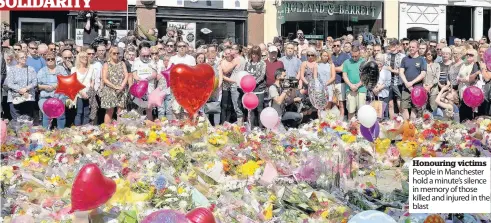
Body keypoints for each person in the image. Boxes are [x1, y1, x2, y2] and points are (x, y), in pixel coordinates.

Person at [37, 52, 68, 129]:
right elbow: (37, 85)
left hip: (59, 97)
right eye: (48, 59)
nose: (50, 60)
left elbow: (66, 82)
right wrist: (45, 87)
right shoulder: (42, 71)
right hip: (46, 97)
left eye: (52, 59)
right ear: (45, 61)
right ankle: (46, 133)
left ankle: (61, 132)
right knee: (46, 116)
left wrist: (55, 86)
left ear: (55, 59)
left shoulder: (61, 69)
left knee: (61, 116)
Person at [100, 47, 129, 124]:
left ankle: (120, 129)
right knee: (110, 111)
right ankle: (107, 130)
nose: (116, 55)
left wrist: (122, 86)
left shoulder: (122, 63)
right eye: (114, 53)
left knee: (121, 111)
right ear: (110, 54)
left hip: (121, 89)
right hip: (110, 90)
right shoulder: (106, 64)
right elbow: (104, 79)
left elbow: (126, 75)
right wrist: (115, 87)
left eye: (118, 53)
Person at [5, 51, 37, 120]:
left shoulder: (31, 69)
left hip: (28, 97)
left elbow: (35, 82)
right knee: (17, 121)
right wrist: (20, 90)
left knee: (27, 121)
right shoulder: (12, 69)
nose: (24, 59)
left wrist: (26, 88)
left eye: (25, 57)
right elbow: (10, 83)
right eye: (22, 57)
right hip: (15, 98)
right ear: (17, 59)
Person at [400, 40, 427, 120]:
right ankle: (406, 125)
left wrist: (411, 83)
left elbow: (423, 74)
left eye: (413, 47)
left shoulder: (422, 60)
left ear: (417, 48)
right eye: (410, 47)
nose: (411, 48)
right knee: (404, 107)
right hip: (406, 88)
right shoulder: (405, 59)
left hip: (417, 89)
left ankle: (412, 126)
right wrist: (407, 83)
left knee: (414, 108)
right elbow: (401, 72)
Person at [132, 47, 158, 120]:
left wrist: (146, 79)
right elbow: (134, 75)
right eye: (144, 55)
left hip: (149, 88)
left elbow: (154, 74)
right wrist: (141, 81)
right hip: (138, 88)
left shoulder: (152, 62)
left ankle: (149, 127)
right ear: (140, 54)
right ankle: (138, 127)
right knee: (138, 109)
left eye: (148, 55)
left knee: (149, 108)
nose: (146, 57)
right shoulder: (136, 62)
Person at [69, 51, 95, 126]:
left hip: (88, 93)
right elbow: (74, 83)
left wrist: (89, 92)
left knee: (87, 113)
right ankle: (77, 130)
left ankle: (85, 130)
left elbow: (92, 81)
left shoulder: (91, 68)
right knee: (79, 113)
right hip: (78, 94)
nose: (85, 58)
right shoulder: (74, 69)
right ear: (79, 59)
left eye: (86, 57)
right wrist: (81, 93)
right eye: (83, 57)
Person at [244, 46, 266, 127]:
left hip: (259, 89)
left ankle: (261, 128)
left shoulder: (262, 63)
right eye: (253, 54)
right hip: (250, 90)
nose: (254, 56)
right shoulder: (248, 63)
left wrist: (253, 83)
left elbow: (262, 76)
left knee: (259, 108)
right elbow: (245, 74)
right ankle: (251, 128)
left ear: (259, 54)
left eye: (256, 54)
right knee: (251, 109)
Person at [342, 46, 366, 120]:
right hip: (350, 89)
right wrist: (351, 85)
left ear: (359, 54)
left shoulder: (364, 62)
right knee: (351, 110)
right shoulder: (346, 62)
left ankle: (361, 129)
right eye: (352, 56)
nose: (354, 58)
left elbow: (366, 76)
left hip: (361, 89)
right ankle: (351, 128)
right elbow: (344, 75)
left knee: (361, 111)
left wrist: (358, 85)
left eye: (356, 56)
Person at [457, 49, 480, 121]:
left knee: (469, 114)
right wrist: (460, 79)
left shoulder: (476, 65)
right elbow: (458, 76)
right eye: (467, 54)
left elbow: (472, 78)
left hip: (470, 92)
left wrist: (462, 79)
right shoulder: (464, 64)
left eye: (471, 55)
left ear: (475, 56)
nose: (468, 56)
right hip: (461, 90)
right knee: (462, 113)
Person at [385, 40, 405, 119]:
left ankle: (401, 117)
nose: (392, 47)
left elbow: (401, 71)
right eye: (390, 45)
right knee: (390, 102)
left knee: (399, 100)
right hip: (388, 82)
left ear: (397, 46)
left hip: (398, 82)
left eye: (393, 45)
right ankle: (392, 120)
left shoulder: (402, 56)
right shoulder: (386, 55)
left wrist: (391, 70)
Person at [332, 39, 350, 120]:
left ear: (341, 46)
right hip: (331, 83)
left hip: (341, 82)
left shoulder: (346, 56)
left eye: (338, 45)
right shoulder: (330, 56)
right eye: (334, 45)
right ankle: (333, 119)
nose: (336, 47)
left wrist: (331, 68)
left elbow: (342, 68)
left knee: (341, 103)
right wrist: (336, 68)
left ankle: (341, 121)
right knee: (333, 103)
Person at [373, 53, 391, 120]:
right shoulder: (372, 69)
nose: (379, 62)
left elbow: (388, 82)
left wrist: (379, 88)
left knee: (385, 114)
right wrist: (374, 88)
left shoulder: (387, 70)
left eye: (381, 60)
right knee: (376, 115)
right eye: (377, 60)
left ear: (384, 61)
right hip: (375, 94)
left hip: (384, 94)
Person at [423, 48, 440, 112]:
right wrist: (424, 85)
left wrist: (430, 86)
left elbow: (437, 77)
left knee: (433, 108)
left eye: (432, 54)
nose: (430, 55)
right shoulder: (423, 63)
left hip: (434, 89)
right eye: (428, 54)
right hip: (423, 87)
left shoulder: (437, 65)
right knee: (423, 108)